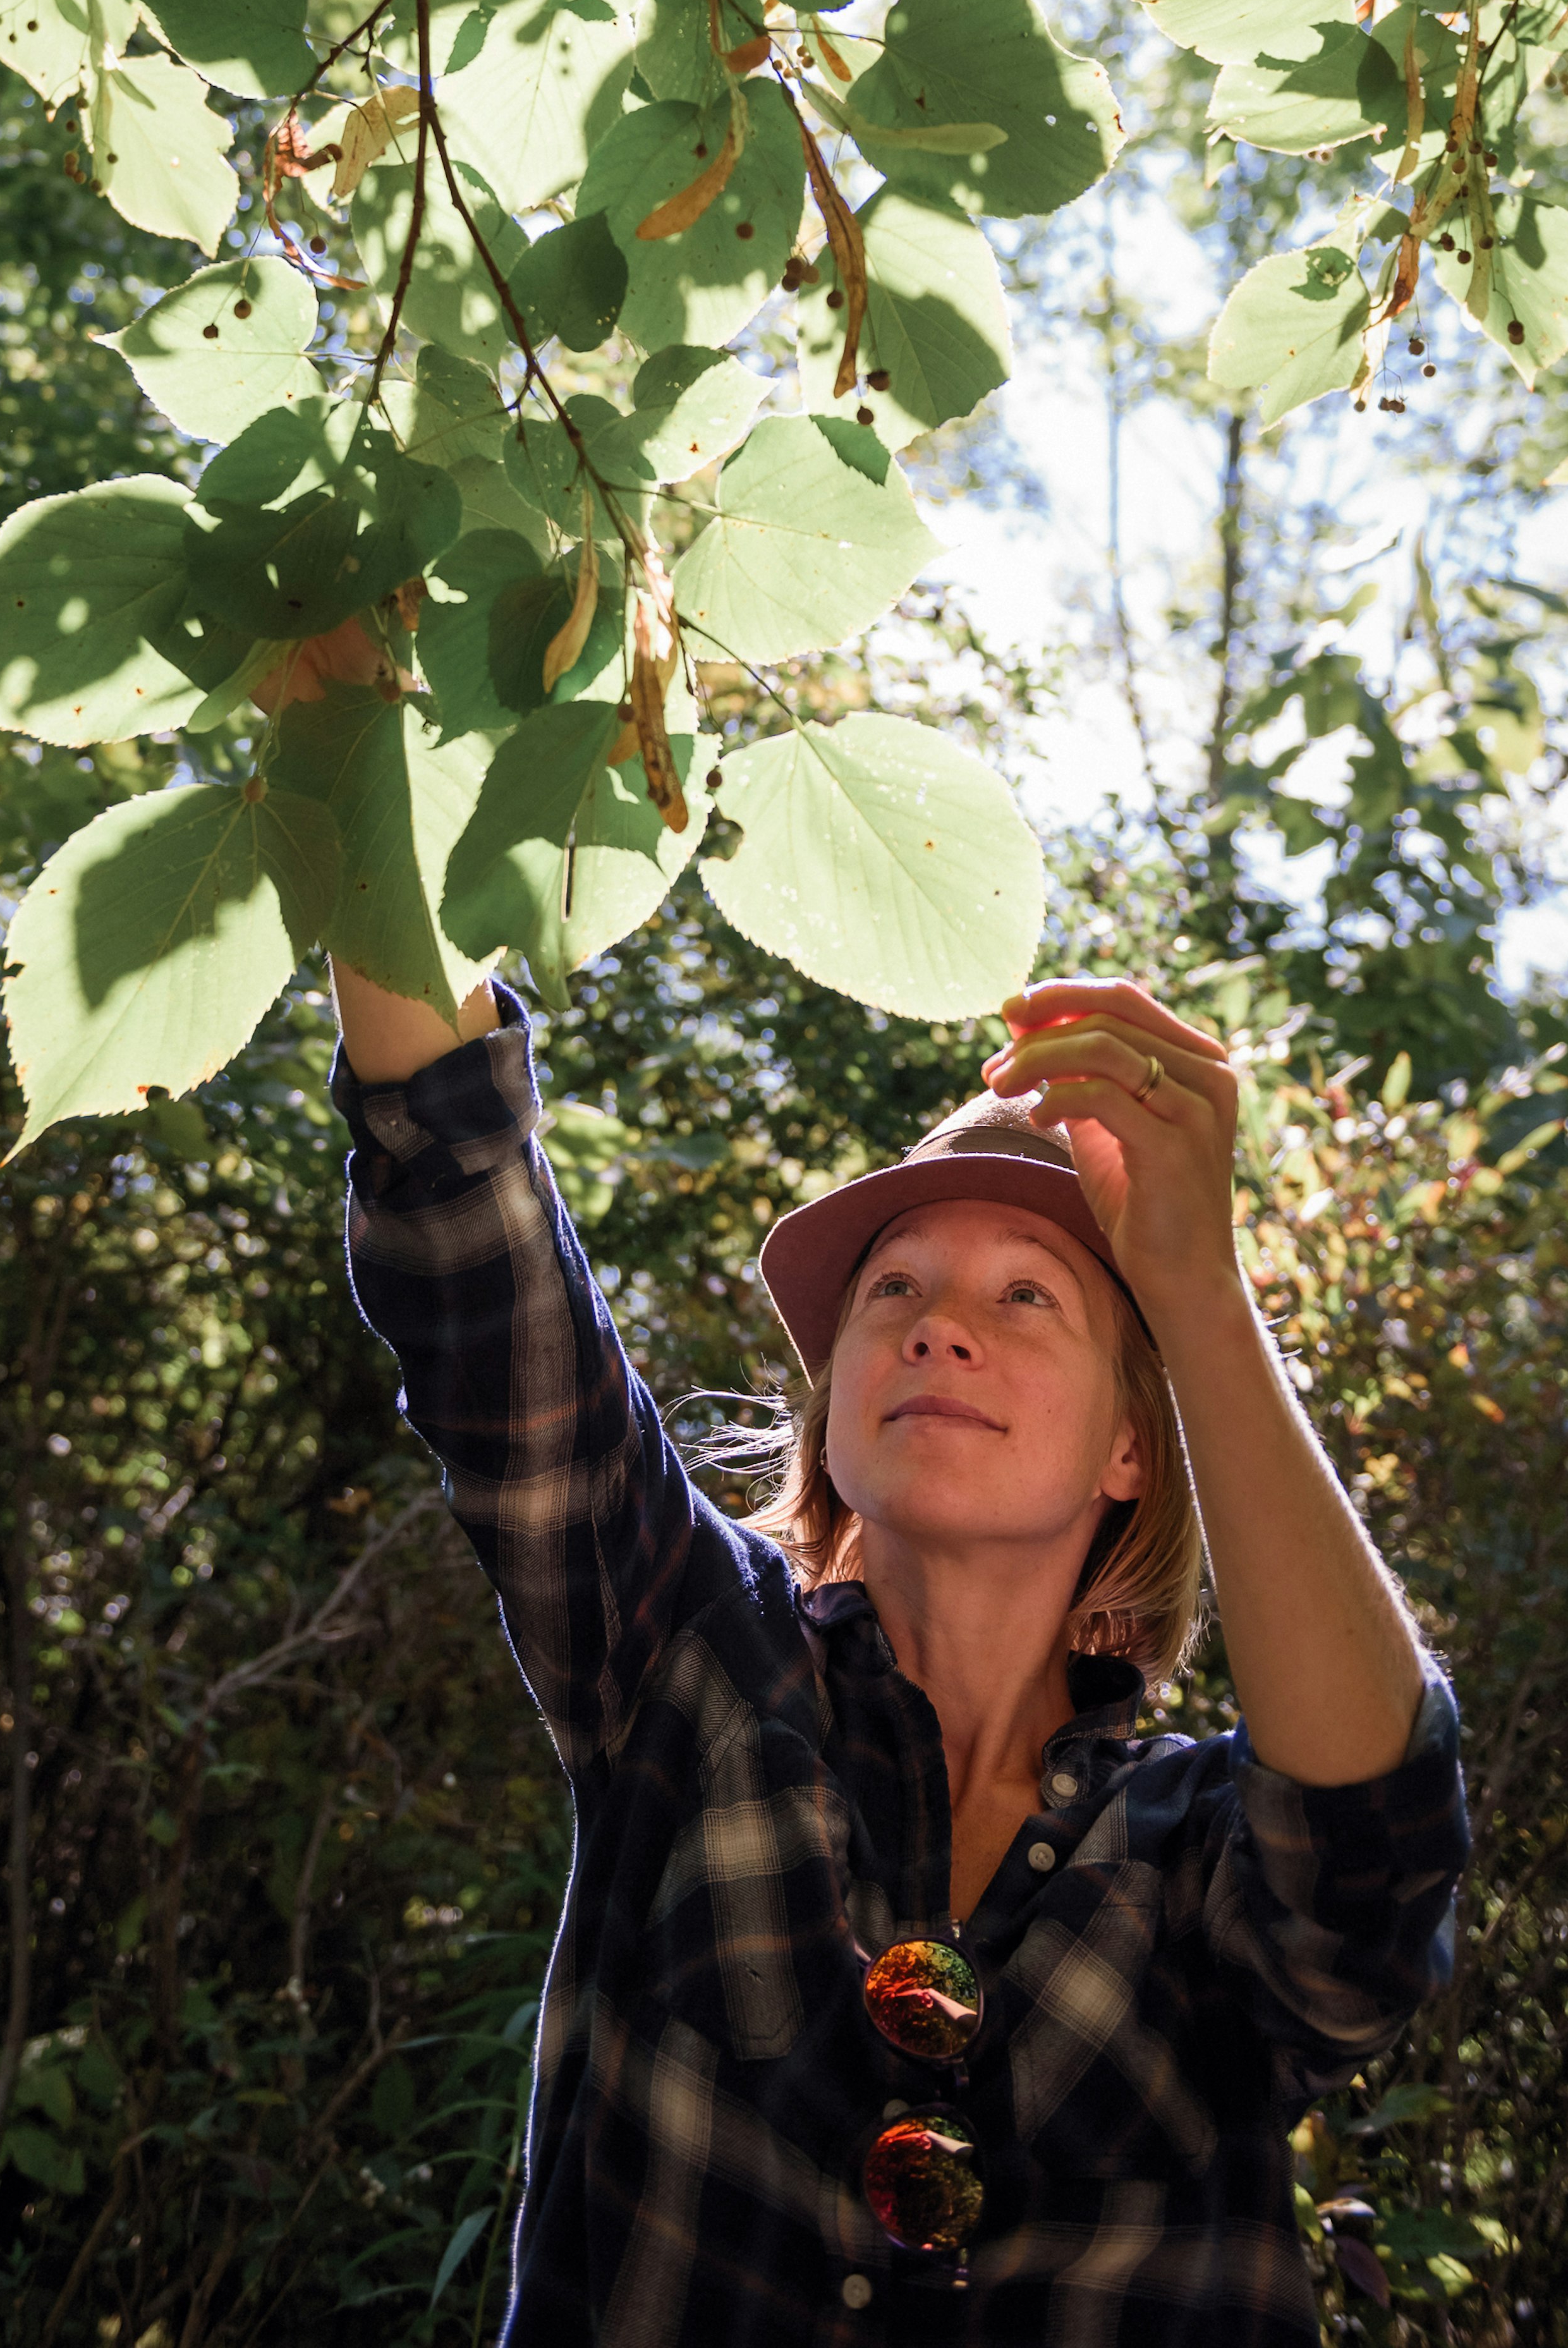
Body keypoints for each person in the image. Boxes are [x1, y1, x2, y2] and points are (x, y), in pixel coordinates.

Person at [284, 627, 1467, 2342]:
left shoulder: (1197, 1841)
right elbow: (472, 1252)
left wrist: (1202, 1294)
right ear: (833, 1409)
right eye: (892, 1292)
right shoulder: (692, 1661)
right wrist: (347, 744)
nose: (938, 1327)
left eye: (1028, 1296)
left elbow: (1365, 1887)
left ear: (1136, 1444)